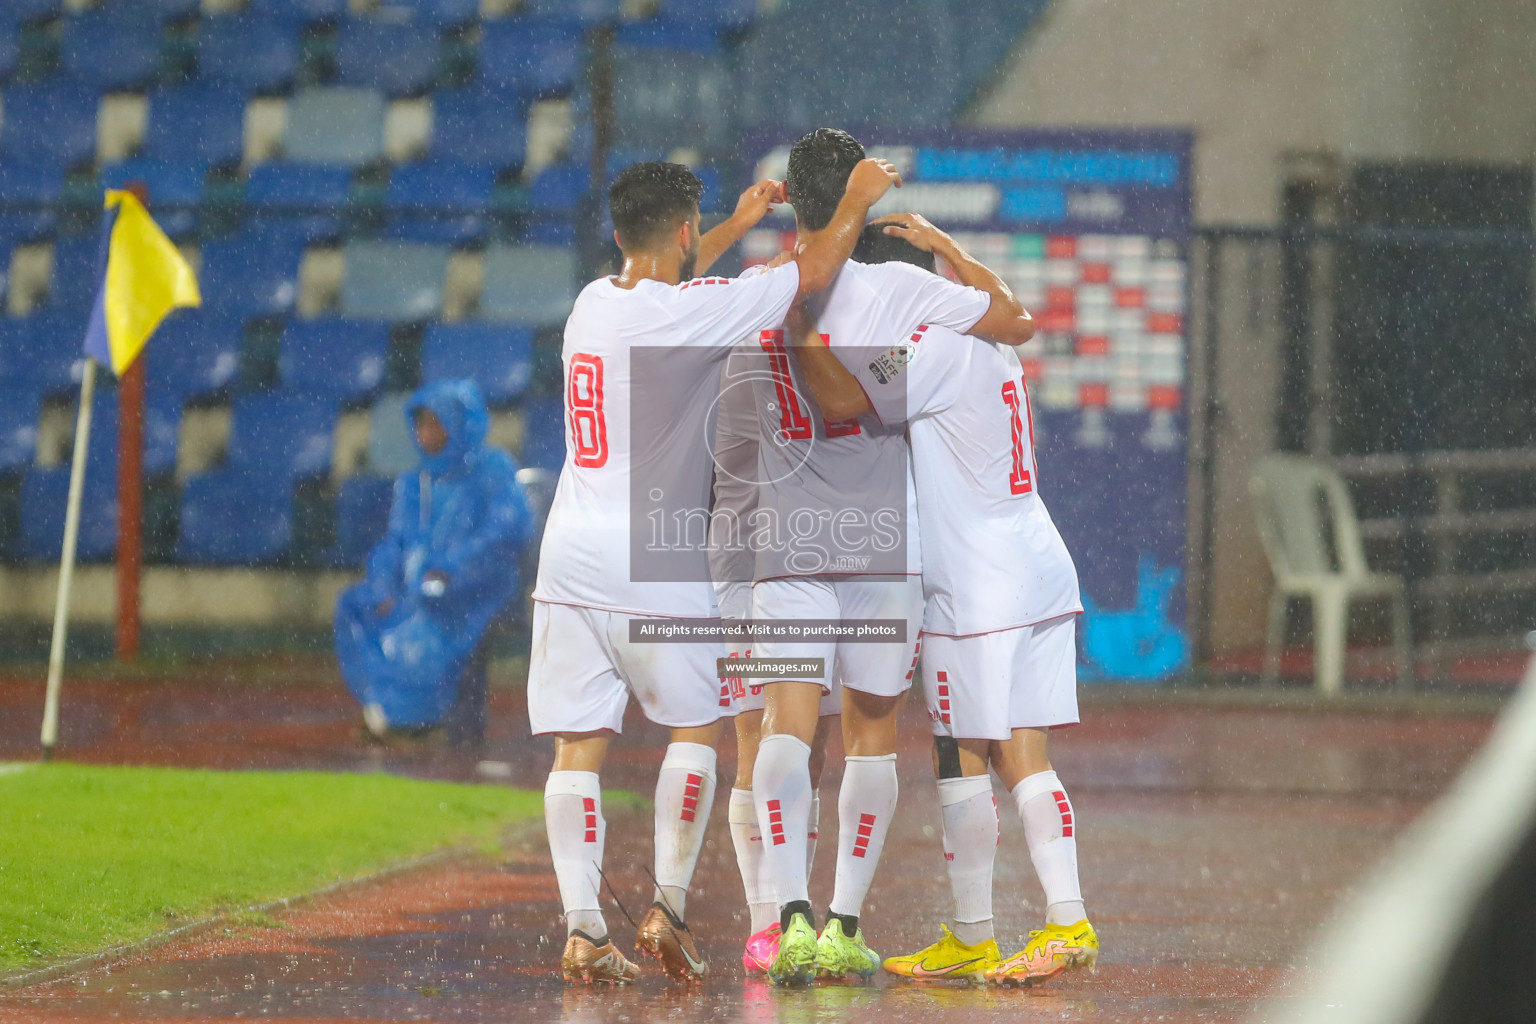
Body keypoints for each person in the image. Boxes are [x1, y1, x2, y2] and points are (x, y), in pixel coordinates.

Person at [526, 157, 902, 986]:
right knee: (700, 727)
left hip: (567, 551)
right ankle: (670, 904)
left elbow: (673, 273)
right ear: (684, 231)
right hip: (649, 556)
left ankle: (585, 931)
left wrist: (728, 223)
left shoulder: (594, 304)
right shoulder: (696, 316)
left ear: (619, 234)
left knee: (577, 745)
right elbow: (807, 269)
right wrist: (856, 202)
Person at [745, 128, 1036, 987]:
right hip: (884, 539)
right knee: (873, 734)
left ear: (797, 199)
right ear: (862, 197)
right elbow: (1014, 321)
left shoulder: (760, 291)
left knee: (786, 725)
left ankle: (788, 917)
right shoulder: (904, 289)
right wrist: (946, 252)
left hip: (792, 534)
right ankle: (841, 924)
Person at [787, 222, 1097, 986]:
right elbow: (1002, 300)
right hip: (1036, 564)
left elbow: (836, 399)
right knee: (1004, 751)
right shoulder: (992, 336)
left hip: (980, 585)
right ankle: (1027, 925)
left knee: (981, 752)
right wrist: (946, 245)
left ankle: (1020, 927)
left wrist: (794, 319)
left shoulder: (930, 348)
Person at [335, 379, 531, 747]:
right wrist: (384, 586)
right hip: (420, 586)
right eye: (421, 423)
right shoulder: (415, 480)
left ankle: (423, 722)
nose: (426, 432)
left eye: (436, 422)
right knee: (359, 607)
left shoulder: (493, 470)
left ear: (461, 423)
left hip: (476, 587)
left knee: (432, 617)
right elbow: (395, 542)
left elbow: (506, 532)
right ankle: (394, 713)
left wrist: (452, 569)